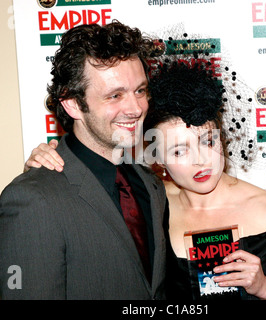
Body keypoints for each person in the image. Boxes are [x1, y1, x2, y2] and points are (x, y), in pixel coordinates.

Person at [27, 60, 266, 300]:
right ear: (156, 156)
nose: (201, 159)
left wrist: (265, 288)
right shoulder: (150, 201)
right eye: (180, 150)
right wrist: (48, 164)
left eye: (208, 141)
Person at [0, 21, 168, 299]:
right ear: (73, 104)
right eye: (115, 95)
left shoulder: (151, 184)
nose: (136, 108)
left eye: (140, 90)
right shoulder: (32, 199)